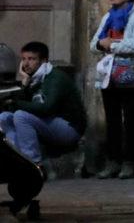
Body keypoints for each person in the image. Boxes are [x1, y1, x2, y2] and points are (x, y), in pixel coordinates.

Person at [89, 0, 134, 179]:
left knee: (131, 121)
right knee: (112, 120)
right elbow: (94, 43)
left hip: (130, 76)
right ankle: (113, 161)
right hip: (108, 76)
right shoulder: (108, 16)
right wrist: (102, 45)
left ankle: (130, 162)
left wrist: (111, 45)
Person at [0, 42, 86, 174]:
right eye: (23, 59)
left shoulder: (55, 77)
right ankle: (19, 161)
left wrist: (15, 102)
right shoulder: (33, 78)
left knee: (20, 116)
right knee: (4, 117)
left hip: (69, 128)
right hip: (47, 123)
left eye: (31, 59)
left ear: (44, 60)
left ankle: (34, 166)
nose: (26, 64)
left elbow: (47, 108)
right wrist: (24, 84)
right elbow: (22, 103)